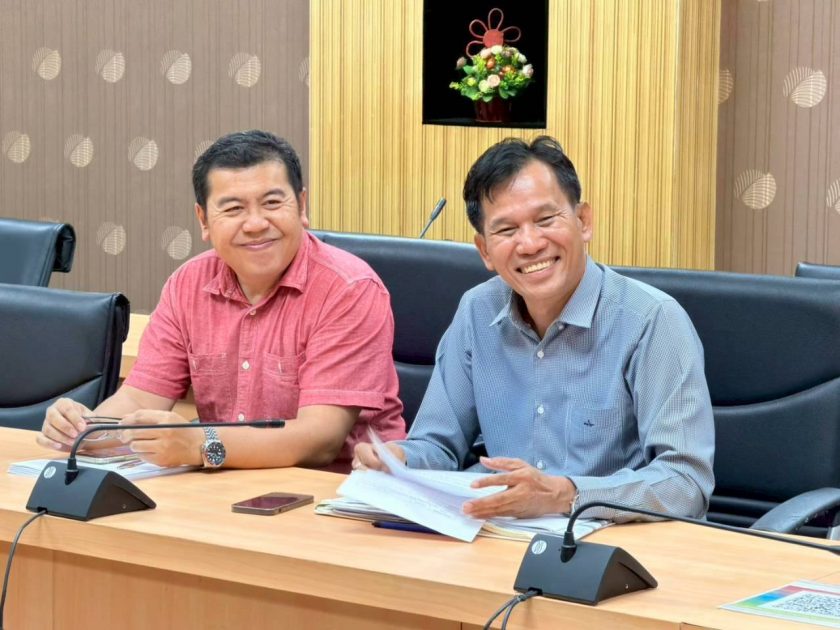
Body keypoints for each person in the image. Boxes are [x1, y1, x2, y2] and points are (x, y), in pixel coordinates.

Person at [354, 136, 714, 520]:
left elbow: (685, 483)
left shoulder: (652, 321)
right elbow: (439, 445)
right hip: (500, 535)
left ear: (583, 221)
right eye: (507, 230)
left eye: (545, 220)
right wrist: (398, 460)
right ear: (485, 250)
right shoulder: (477, 311)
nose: (529, 244)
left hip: (613, 542)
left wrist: (566, 496)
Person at [38, 130, 405, 472]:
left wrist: (201, 444)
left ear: (301, 205)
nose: (256, 223)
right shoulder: (188, 284)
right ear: (203, 219)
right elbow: (139, 401)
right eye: (233, 209)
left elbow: (320, 439)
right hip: (224, 485)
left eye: (272, 202)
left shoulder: (348, 289)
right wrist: (84, 429)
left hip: (332, 493)